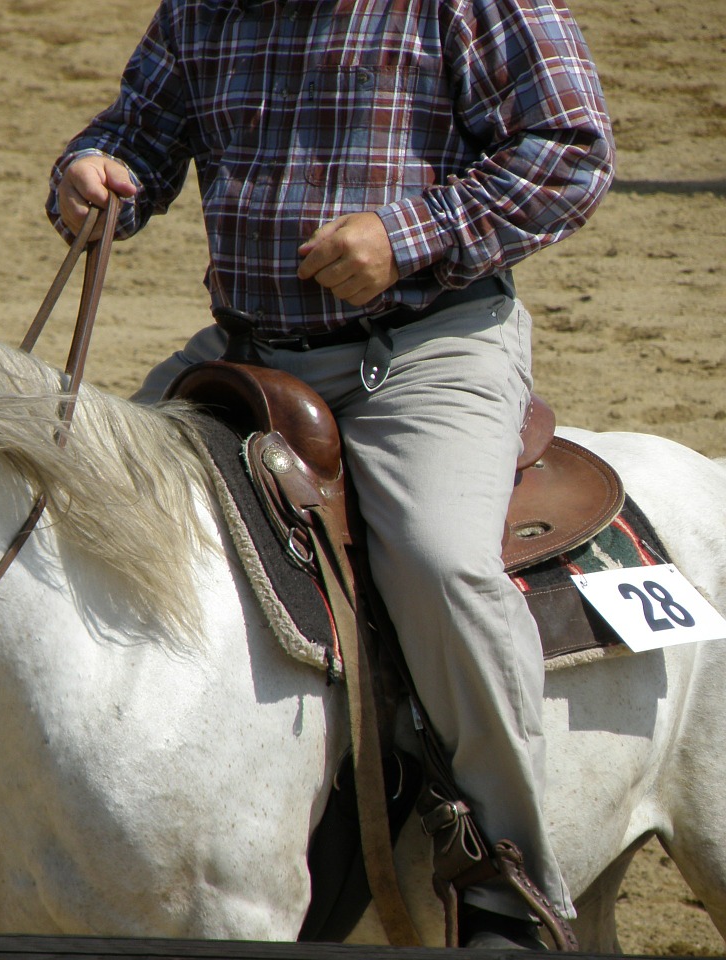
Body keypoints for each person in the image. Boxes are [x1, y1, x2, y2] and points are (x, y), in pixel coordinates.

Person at [47, 0, 614, 949]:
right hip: (248, 357)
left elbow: (571, 151)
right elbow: (138, 134)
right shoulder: (203, 8)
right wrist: (98, 173)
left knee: (438, 562)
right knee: (76, 517)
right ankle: (68, 840)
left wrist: (411, 234)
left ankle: (509, 882)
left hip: (429, 352)